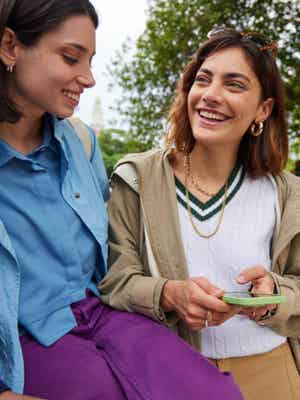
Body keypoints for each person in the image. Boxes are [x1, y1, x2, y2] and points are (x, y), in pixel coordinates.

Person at [0, 1, 244, 399]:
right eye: (70, 57)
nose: (89, 78)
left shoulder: (81, 143)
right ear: (10, 46)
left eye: (90, 60)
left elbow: (114, 262)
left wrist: (169, 291)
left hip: (104, 314)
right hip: (25, 342)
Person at [100, 27, 300, 399]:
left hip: (273, 375)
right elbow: (113, 281)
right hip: (173, 376)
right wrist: (167, 294)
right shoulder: (136, 179)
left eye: (234, 84)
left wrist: (275, 294)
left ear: (263, 109)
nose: (211, 95)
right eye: (203, 80)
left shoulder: (286, 193)